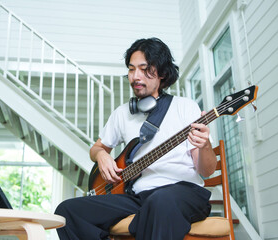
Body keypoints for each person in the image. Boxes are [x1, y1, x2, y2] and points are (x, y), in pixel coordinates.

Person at [55, 37, 217, 240]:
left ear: (163, 74)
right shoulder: (122, 113)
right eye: (131, 69)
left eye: (144, 68)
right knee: (67, 211)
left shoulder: (186, 107)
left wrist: (205, 146)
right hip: (137, 197)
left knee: (160, 202)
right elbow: (96, 148)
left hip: (183, 192)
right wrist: (102, 156)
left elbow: (207, 171)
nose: (135, 76)